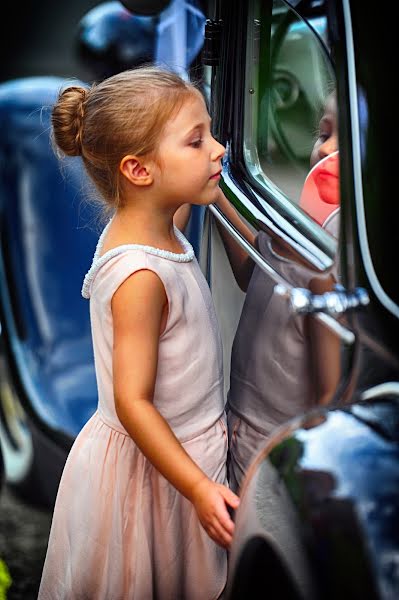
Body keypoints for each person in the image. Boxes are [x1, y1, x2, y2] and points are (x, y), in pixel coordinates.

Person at [38, 66, 240, 600]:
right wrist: (197, 487)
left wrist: (212, 186)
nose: (218, 149)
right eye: (197, 141)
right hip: (151, 476)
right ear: (139, 170)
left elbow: (240, 249)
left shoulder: (156, 218)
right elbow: (132, 401)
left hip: (174, 458)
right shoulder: (141, 277)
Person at [213, 90, 341, 493]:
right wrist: (215, 194)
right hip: (240, 425)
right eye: (324, 134)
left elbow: (329, 395)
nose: (327, 150)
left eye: (349, 144)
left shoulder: (335, 250)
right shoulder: (297, 220)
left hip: (278, 451)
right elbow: (256, 276)